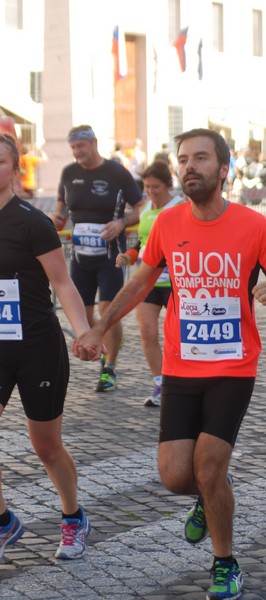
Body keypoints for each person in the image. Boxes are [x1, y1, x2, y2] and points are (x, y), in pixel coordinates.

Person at [72, 128, 266, 600]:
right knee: (177, 475)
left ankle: (225, 563)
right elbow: (138, 285)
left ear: (224, 168)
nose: (189, 166)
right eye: (183, 159)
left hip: (233, 366)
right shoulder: (169, 224)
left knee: (208, 464)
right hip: (181, 366)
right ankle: (210, 490)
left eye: (201, 158)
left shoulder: (254, 226)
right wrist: (99, 327)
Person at [0, 133, 93, 560]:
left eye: (0, 161)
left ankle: (73, 517)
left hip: (37, 345)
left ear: (16, 171)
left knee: (45, 446)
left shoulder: (31, 222)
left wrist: (84, 332)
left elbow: (64, 284)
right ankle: (4, 523)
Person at [51, 125, 143, 392]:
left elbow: (142, 209)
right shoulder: (69, 173)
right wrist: (54, 221)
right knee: (84, 314)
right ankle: (104, 344)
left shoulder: (116, 172)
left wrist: (122, 223)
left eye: (81, 146)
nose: (78, 152)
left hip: (110, 255)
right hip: (81, 257)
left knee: (108, 311)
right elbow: (61, 211)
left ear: (93, 143)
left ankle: (109, 367)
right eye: (74, 148)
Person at [115, 161, 185, 407]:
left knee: (178, 336)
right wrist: (129, 257)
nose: (152, 191)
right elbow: (142, 244)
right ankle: (161, 383)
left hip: (176, 281)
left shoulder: (181, 206)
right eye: (147, 186)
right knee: (147, 333)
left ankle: (183, 382)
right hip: (148, 280)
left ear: (168, 185)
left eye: (156, 187)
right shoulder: (144, 209)